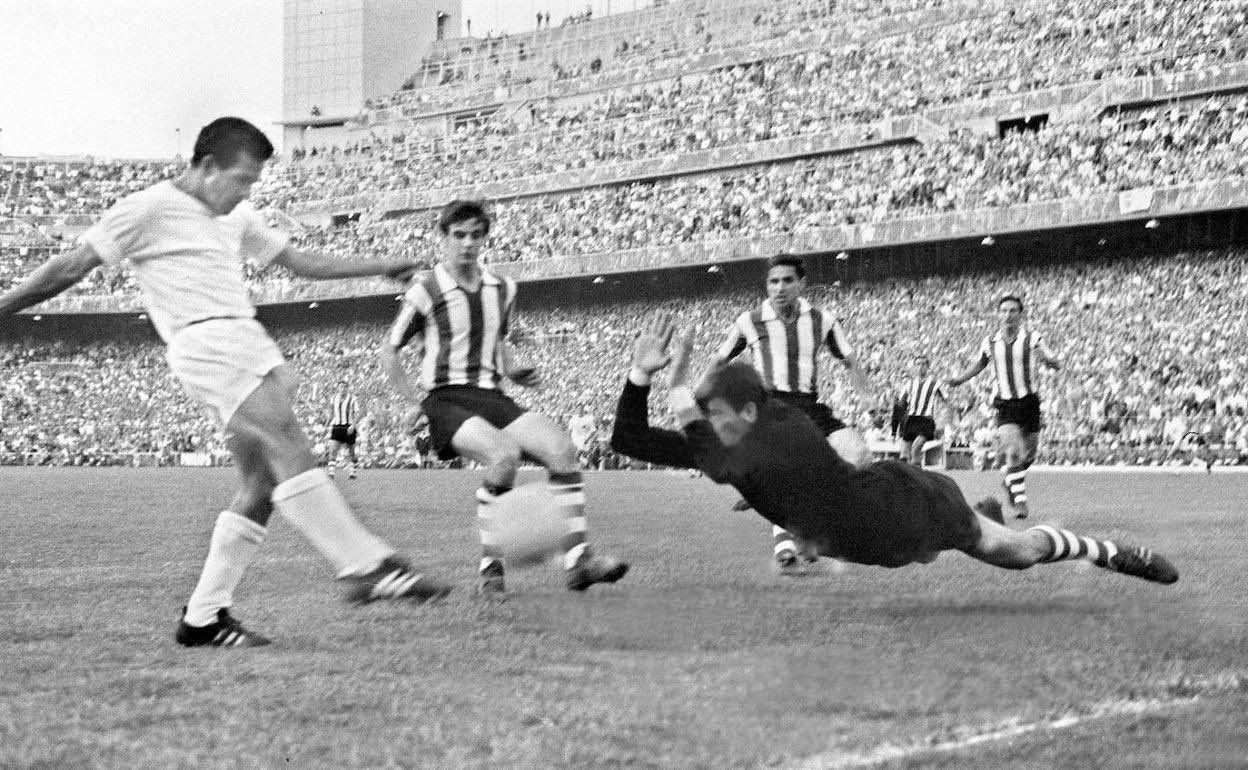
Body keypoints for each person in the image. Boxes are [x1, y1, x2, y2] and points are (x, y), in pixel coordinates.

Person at [0, 118, 452, 649]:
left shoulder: (236, 213)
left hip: (245, 336)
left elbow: (298, 261)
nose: (246, 193)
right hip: (207, 339)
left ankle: (203, 618)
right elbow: (70, 266)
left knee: (260, 485)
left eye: (253, 183)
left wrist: (383, 264)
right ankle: (363, 563)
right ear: (207, 166)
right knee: (286, 436)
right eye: (241, 179)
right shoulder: (146, 209)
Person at [610, 313, 1177, 586]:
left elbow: (707, 450)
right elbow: (628, 439)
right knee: (940, 550)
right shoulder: (733, 443)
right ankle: (981, 513)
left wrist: (680, 384)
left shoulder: (781, 432)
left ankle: (1105, 551)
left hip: (901, 505)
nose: (709, 424)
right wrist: (640, 374)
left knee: (1015, 554)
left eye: (719, 416)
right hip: (868, 540)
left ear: (751, 413)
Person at [380, 199, 627, 597]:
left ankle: (579, 560)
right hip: (444, 398)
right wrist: (413, 401)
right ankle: (491, 566)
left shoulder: (503, 289)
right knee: (503, 455)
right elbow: (390, 351)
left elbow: (499, 340)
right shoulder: (424, 292)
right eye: (458, 235)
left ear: (484, 239)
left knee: (562, 449)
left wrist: (512, 370)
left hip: (492, 394)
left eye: (475, 235)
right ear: (443, 238)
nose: (467, 244)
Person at [712, 253, 873, 572]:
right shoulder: (750, 320)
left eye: (787, 280)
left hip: (810, 407)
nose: (780, 287)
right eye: (773, 281)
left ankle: (798, 523)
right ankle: (787, 543)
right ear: (767, 286)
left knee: (859, 454)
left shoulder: (822, 320)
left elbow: (851, 361)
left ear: (801, 284)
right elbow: (718, 362)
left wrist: (867, 395)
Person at [946, 295, 1061, 519]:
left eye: (1012, 311)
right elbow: (980, 362)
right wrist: (960, 379)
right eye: (1004, 311)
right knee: (1014, 452)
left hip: (1029, 403)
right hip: (1005, 404)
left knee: (1029, 456)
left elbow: (1054, 361)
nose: (1008, 315)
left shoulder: (1032, 338)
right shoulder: (991, 341)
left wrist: (1049, 361)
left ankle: (1010, 480)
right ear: (999, 314)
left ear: (1021, 314)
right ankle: (1020, 502)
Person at [898, 355, 950, 466]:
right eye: (918, 364)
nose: (920, 367)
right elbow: (901, 402)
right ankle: (909, 476)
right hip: (911, 420)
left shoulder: (935, 384)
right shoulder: (909, 383)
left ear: (928, 367)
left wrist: (942, 420)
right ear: (914, 367)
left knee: (916, 447)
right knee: (903, 454)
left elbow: (947, 401)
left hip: (926, 420)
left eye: (923, 364)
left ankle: (915, 477)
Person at [325, 380, 360, 479]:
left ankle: (352, 472)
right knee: (333, 451)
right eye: (341, 387)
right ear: (338, 388)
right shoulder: (334, 398)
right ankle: (331, 474)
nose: (342, 389)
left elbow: (357, 413)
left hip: (348, 427)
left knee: (352, 452)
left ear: (347, 388)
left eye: (344, 387)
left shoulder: (352, 399)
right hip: (337, 427)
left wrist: (353, 425)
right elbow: (331, 413)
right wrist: (326, 425)